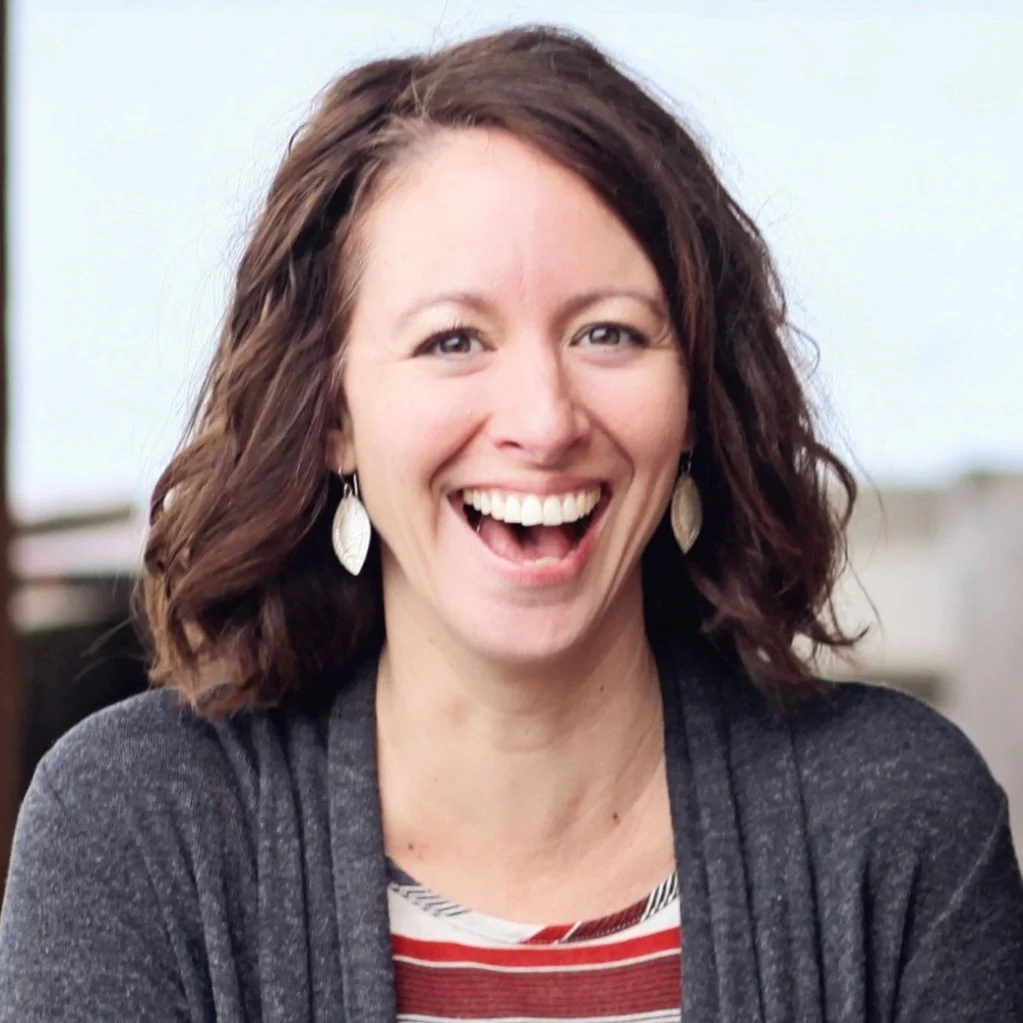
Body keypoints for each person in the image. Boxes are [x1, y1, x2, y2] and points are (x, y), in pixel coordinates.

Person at [2, 24, 1021, 1023]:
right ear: (332, 417)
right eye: (453, 340)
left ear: (698, 402)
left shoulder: (898, 824)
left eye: (609, 333)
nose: (544, 421)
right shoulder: (134, 833)